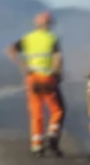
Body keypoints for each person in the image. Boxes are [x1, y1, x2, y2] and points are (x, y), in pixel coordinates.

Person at [6, 10, 65, 156]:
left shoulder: (28, 38)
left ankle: (37, 146)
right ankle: (52, 134)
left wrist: (23, 67)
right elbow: (58, 58)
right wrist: (56, 73)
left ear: (36, 23)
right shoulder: (52, 38)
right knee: (57, 110)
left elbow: (11, 50)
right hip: (47, 78)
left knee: (36, 112)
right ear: (49, 24)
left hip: (32, 78)